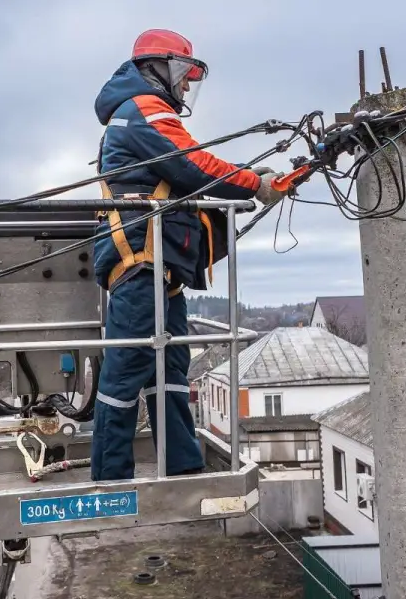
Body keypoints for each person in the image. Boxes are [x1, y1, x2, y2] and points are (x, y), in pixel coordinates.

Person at [89, 29, 289, 481]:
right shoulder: (143, 109)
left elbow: (190, 168)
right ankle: (110, 479)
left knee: (171, 365)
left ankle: (181, 465)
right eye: (184, 74)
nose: (186, 86)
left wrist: (245, 177)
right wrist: (252, 184)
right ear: (157, 67)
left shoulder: (141, 110)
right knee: (126, 371)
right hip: (140, 263)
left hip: (160, 270)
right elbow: (193, 165)